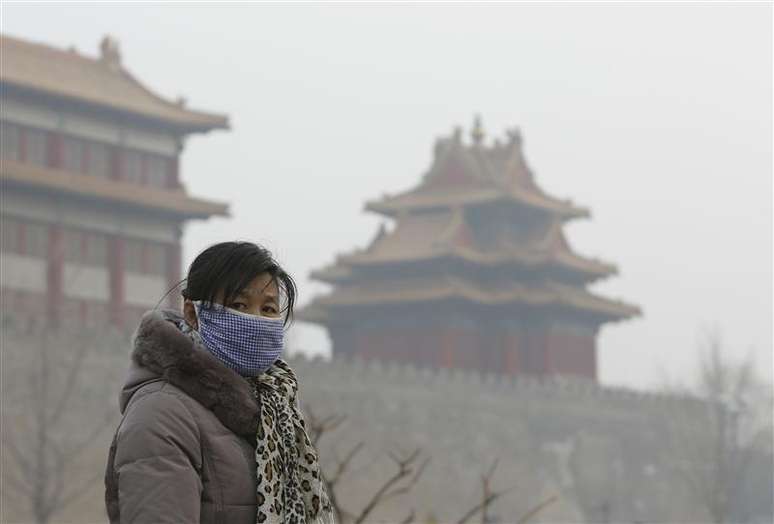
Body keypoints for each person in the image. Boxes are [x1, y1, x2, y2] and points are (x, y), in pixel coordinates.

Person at [104, 241, 335, 524]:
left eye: (269, 308)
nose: (256, 320)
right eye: (239, 305)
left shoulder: (274, 414)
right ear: (193, 313)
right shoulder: (161, 415)